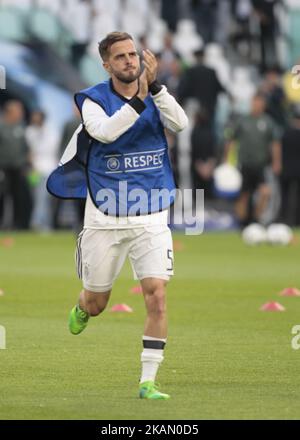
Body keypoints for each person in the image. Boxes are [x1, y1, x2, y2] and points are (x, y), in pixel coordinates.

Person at [47, 32, 188, 399]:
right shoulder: (93, 100)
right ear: (106, 64)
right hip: (105, 218)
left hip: (151, 212)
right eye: (120, 57)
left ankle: (148, 381)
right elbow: (105, 134)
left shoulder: (154, 94)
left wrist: (155, 88)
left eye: (132, 54)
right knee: (97, 303)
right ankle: (82, 304)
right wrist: (140, 101)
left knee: (156, 295)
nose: (129, 61)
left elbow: (181, 124)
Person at [224, 93, 281, 226]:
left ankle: (255, 220)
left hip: (261, 165)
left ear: (263, 104)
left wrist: (276, 162)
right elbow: (231, 139)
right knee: (243, 195)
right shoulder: (242, 120)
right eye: (255, 102)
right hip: (244, 164)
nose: (257, 105)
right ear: (251, 103)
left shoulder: (268, 122)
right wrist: (226, 160)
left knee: (265, 192)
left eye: (260, 102)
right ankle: (242, 223)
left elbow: (275, 143)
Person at [0, 100, 32, 229]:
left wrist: (28, 163)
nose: (21, 113)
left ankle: (19, 224)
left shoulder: (22, 127)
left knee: (20, 197)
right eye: (18, 111)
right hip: (3, 168)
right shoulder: (1, 127)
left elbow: (27, 147)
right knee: (2, 196)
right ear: (10, 112)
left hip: (19, 168)